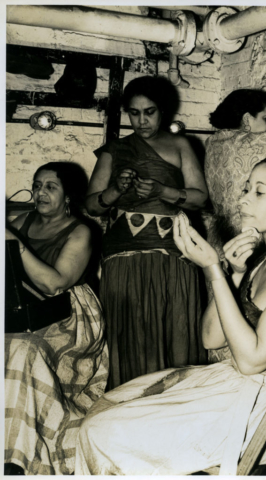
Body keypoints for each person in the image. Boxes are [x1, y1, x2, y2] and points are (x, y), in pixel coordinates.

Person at [75, 156, 266, 476]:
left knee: (103, 433)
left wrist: (212, 268)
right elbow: (210, 338)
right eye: (245, 189)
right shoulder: (261, 261)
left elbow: (252, 360)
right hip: (242, 386)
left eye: (259, 192)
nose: (243, 198)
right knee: (108, 405)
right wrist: (232, 274)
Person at [85, 75, 208, 389]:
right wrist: (115, 191)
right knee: (130, 337)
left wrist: (163, 190)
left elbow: (199, 197)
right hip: (123, 260)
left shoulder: (181, 144)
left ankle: (173, 411)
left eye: (149, 112)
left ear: (162, 111)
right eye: (134, 113)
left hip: (172, 258)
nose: (141, 121)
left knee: (174, 335)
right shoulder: (116, 149)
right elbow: (92, 206)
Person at [4, 162, 108, 475]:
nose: (40, 192)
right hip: (22, 310)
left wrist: (12, 240)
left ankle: (19, 455)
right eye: (37, 185)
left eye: (51, 186)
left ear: (68, 196)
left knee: (24, 351)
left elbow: (55, 284)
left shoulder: (81, 230)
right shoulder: (20, 221)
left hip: (68, 314)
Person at [204, 89, 266, 254]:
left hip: (220, 237)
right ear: (247, 119)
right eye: (265, 118)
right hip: (253, 238)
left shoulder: (211, 142)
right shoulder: (263, 140)